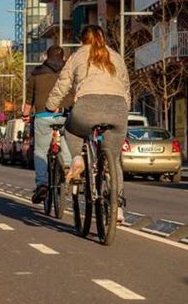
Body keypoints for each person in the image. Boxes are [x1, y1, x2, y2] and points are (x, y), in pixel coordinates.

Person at [46, 25, 130, 221]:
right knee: (114, 159)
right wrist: (124, 110)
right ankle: (117, 206)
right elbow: (126, 88)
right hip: (118, 109)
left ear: (82, 40)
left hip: (87, 106)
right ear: (103, 37)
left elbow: (62, 85)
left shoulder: (77, 56)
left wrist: (51, 106)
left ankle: (77, 159)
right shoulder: (116, 56)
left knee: (72, 130)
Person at [22, 45, 73, 204]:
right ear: (63, 57)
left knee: (41, 150)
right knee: (66, 143)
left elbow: (29, 101)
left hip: (43, 116)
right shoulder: (68, 72)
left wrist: (25, 115)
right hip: (65, 114)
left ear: (46, 57)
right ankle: (68, 171)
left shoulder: (36, 74)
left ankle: (42, 184)